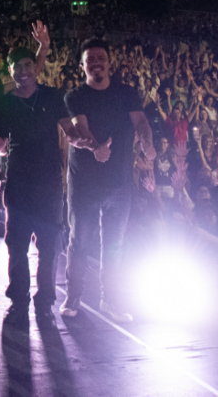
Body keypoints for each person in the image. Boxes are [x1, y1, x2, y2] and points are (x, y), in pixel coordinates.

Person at [59, 38, 155, 322]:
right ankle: (73, 295)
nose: (96, 63)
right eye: (90, 60)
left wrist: (147, 143)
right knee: (80, 241)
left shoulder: (126, 93)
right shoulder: (74, 96)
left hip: (120, 181)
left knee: (114, 243)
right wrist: (95, 147)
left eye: (101, 57)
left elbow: (141, 122)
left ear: (109, 62)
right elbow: (80, 127)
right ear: (82, 66)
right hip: (85, 181)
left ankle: (109, 299)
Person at [0, 45, 70, 315]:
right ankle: (19, 297)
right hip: (19, 182)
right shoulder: (7, 101)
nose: (23, 71)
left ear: (36, 67)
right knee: (17, 244)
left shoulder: (52, 95)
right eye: (17, 67)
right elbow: (2, 145)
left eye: (28, 65)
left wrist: (84, 140)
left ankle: (46, 299)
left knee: (50, 245)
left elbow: (69, 128)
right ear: (10, 71)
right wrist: (0, 148)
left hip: (49, 183)